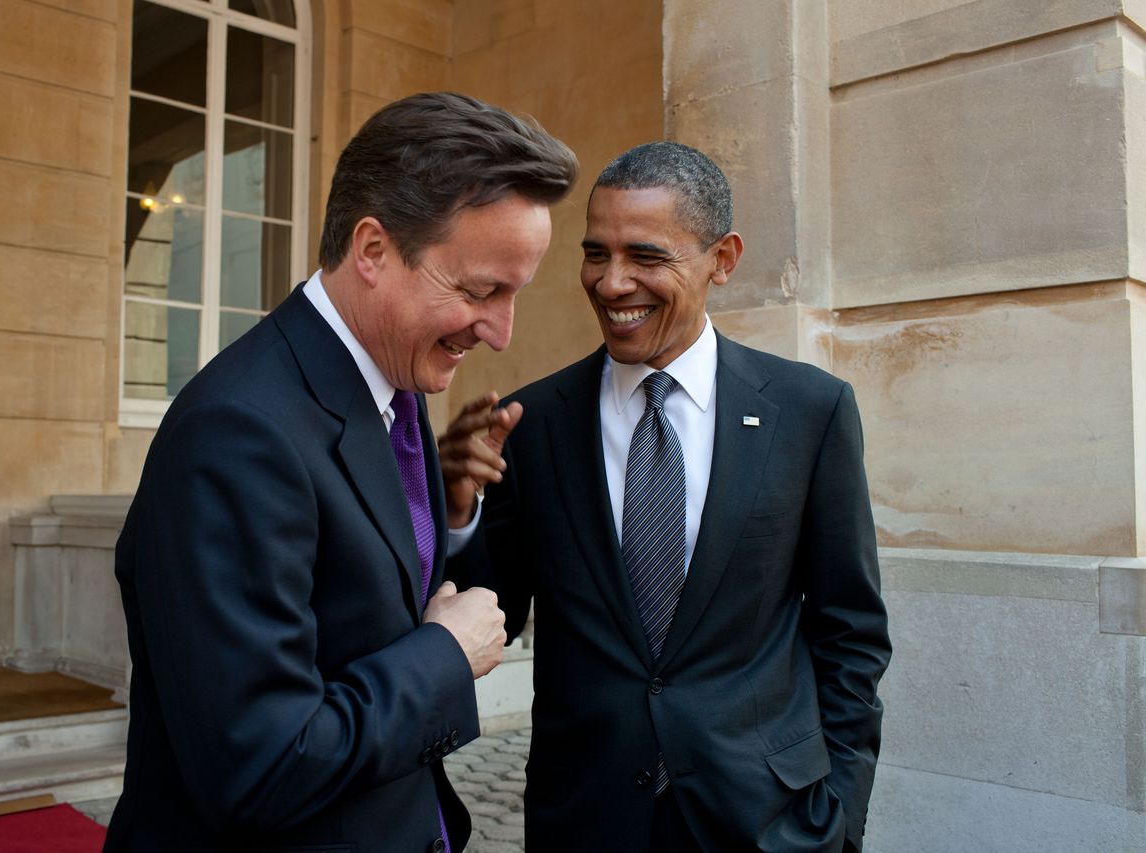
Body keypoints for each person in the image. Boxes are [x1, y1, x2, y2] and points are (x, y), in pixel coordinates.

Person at [104, 92, 577, 853]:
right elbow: (261, 764)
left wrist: (450, 515)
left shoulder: (394, 382)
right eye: (480, 290)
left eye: (515, 293)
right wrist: (445, 656)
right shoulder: (236, 433)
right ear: (372, 250)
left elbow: (364, 600)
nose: (500, 330)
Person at [441, 141, 891, 852]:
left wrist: (839, 814)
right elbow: (484, 618)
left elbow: (851, 632)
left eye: (646, 257)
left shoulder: (810, 412)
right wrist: (458, 509)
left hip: (770, 821)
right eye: (596, 253)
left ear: (723, 258)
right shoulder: (534, 425)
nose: (612, 283)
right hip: (587, 819)